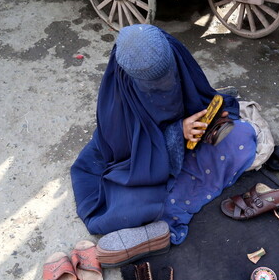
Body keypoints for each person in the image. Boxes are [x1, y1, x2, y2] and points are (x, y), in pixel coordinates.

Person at [70, 24, 258, 244]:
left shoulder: (174, 53)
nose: (167, 84)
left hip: (188, 146)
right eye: (154, 84)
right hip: (145, 163)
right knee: (133, 208)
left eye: (169, 75)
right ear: (132, 79)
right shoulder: (116, 104)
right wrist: (178, 133)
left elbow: (198, 94)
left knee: (243, 136)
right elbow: (128, 155)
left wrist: (209, 118)